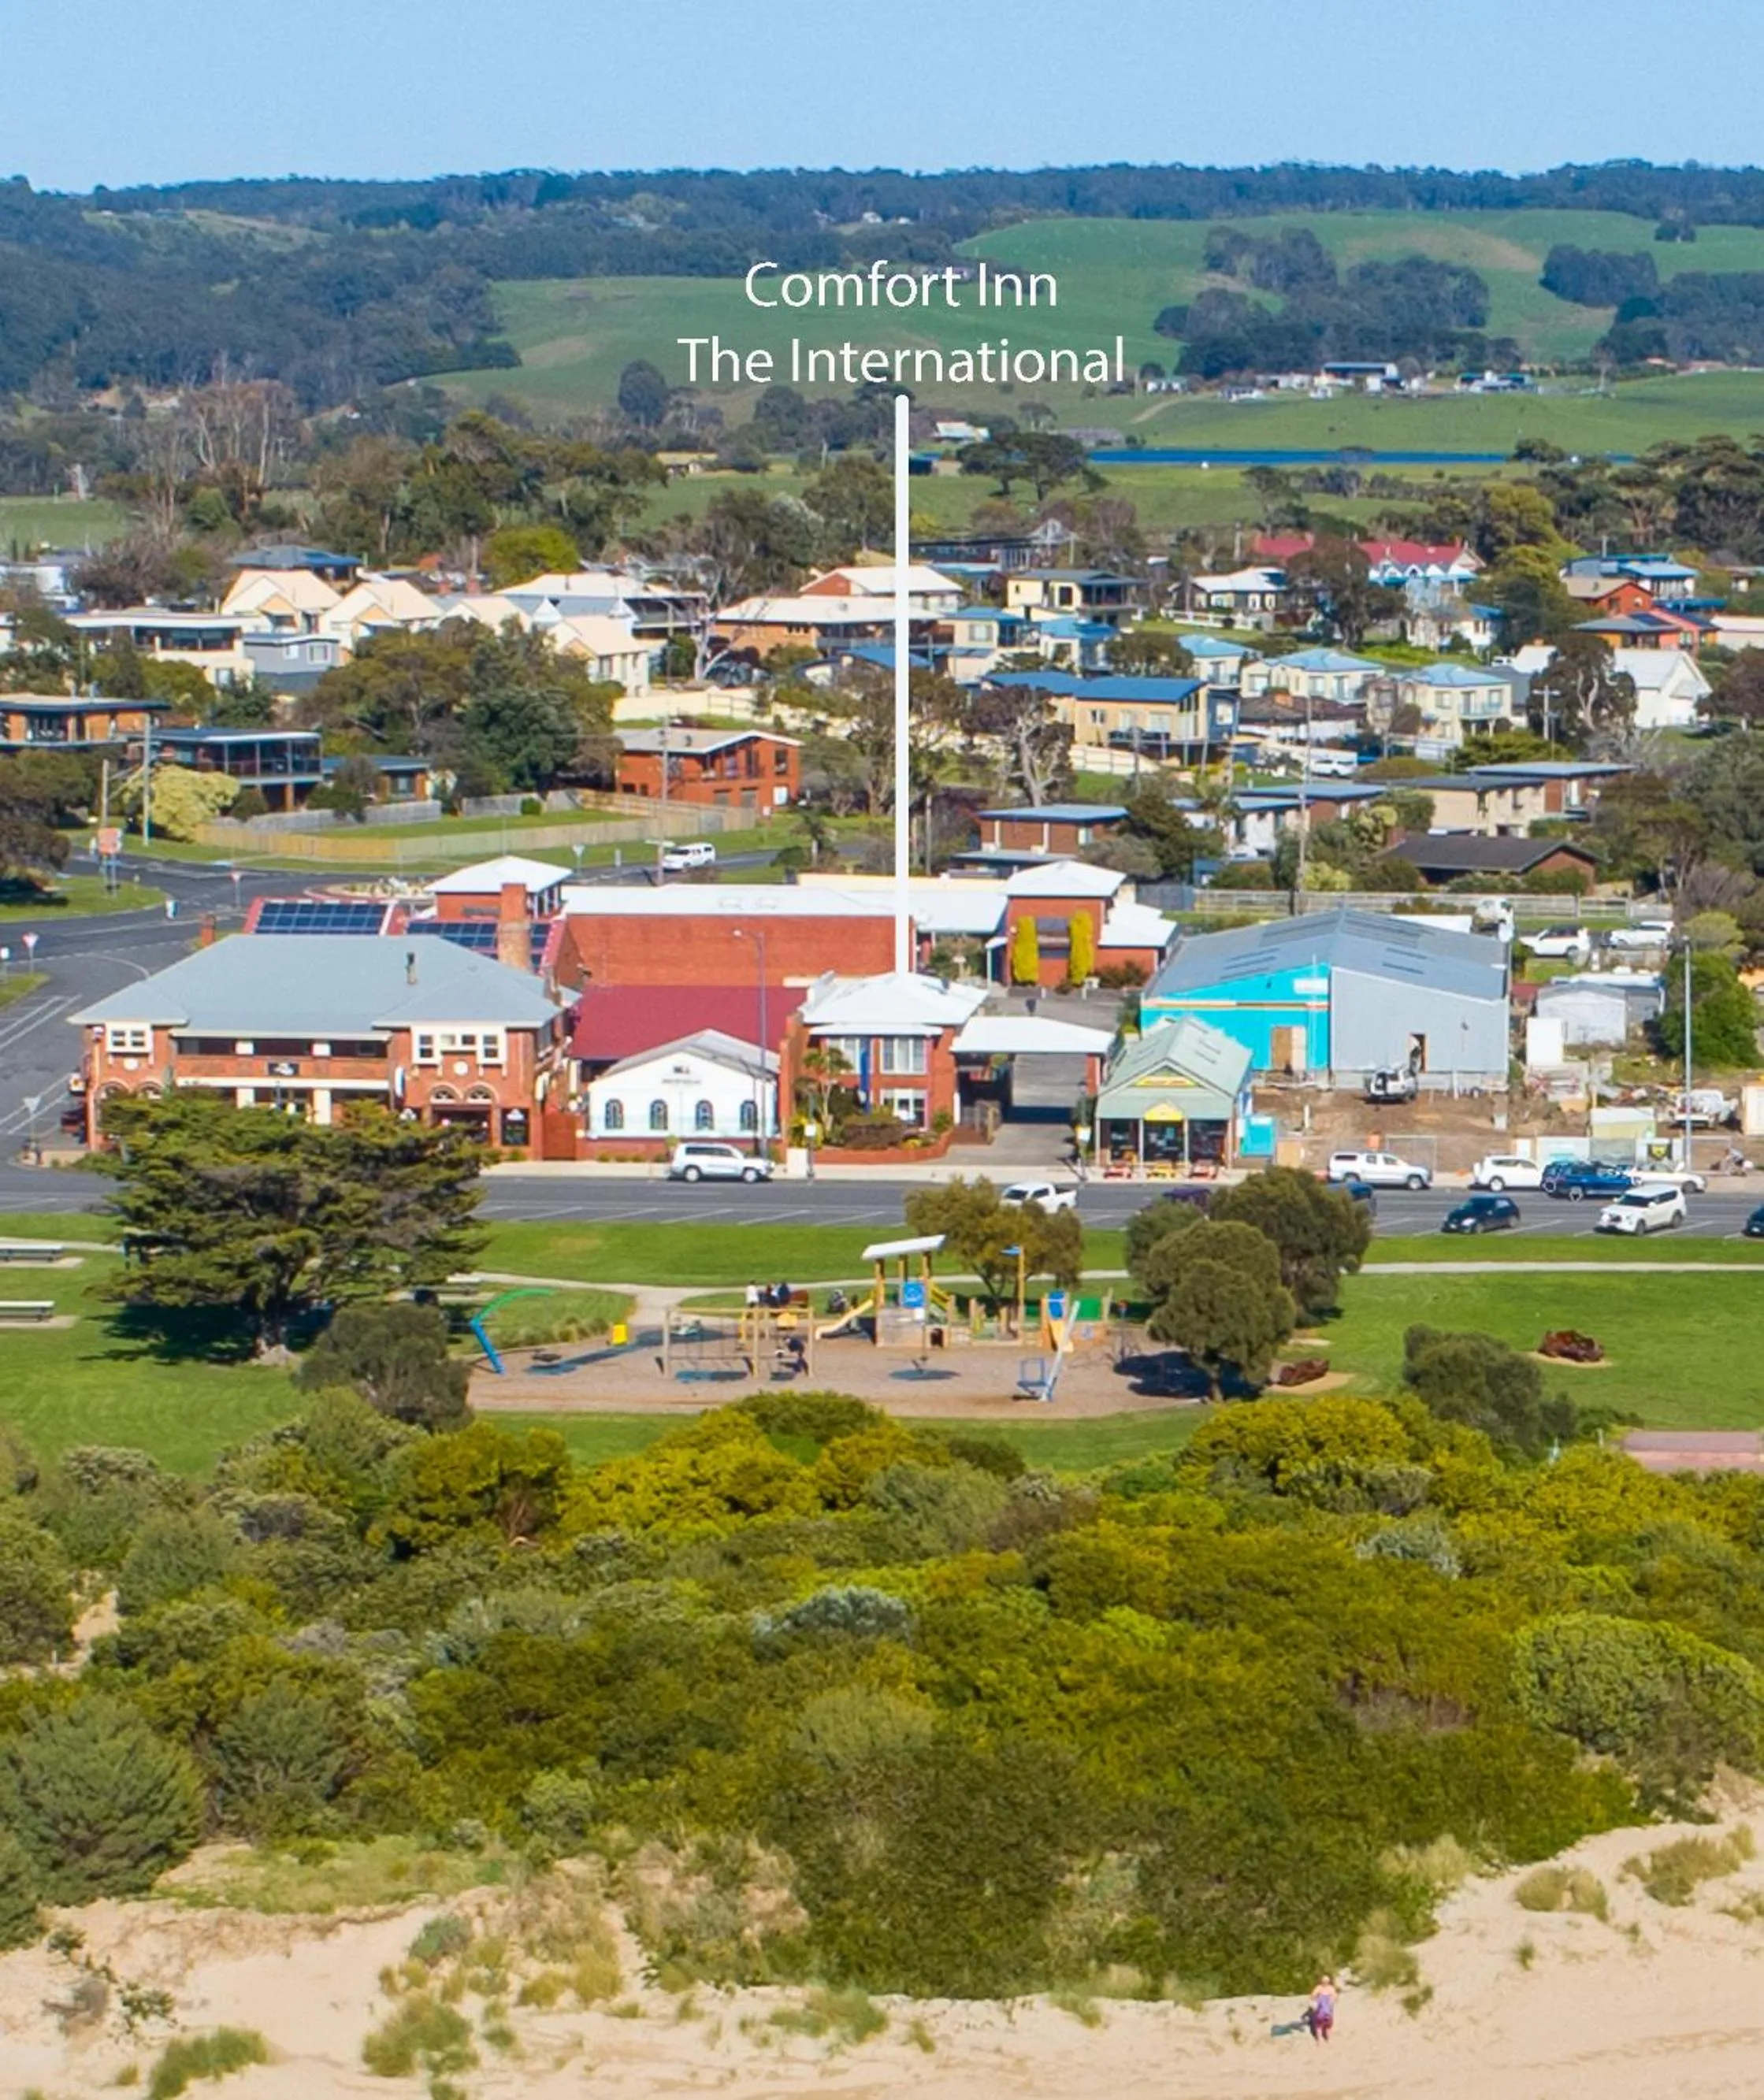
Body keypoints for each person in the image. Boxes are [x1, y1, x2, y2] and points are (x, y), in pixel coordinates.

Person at [1306, 1975, 1335, 2044]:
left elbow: (1334, 1997)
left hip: (1326, 2010)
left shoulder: (1328, 1988)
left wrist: (1330, 2002)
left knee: (1326, 2025)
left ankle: (1325, 2039)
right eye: (1325, 1981)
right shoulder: (1321, 1988)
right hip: (1323, 2010)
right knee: (1321, 2025)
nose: (1325, 1982)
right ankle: (1322, 2039)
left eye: (1326, 1981)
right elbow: (1312, 1996)